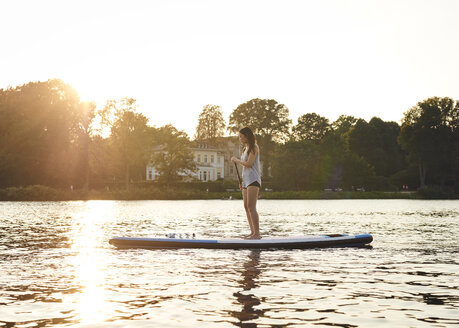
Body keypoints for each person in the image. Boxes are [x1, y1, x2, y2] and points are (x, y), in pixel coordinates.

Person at [231, 127, 262, 239]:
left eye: (241, 136)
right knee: (246, 206)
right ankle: (253, 232)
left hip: (253, 179)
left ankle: (257, 234)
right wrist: (242, 182)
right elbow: (245, 168)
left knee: (251, 206)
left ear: (246, 136)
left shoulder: (254, 147)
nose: (240, 139)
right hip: (246, 180)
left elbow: (248, 164)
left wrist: (236, 160)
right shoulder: (245, 148)